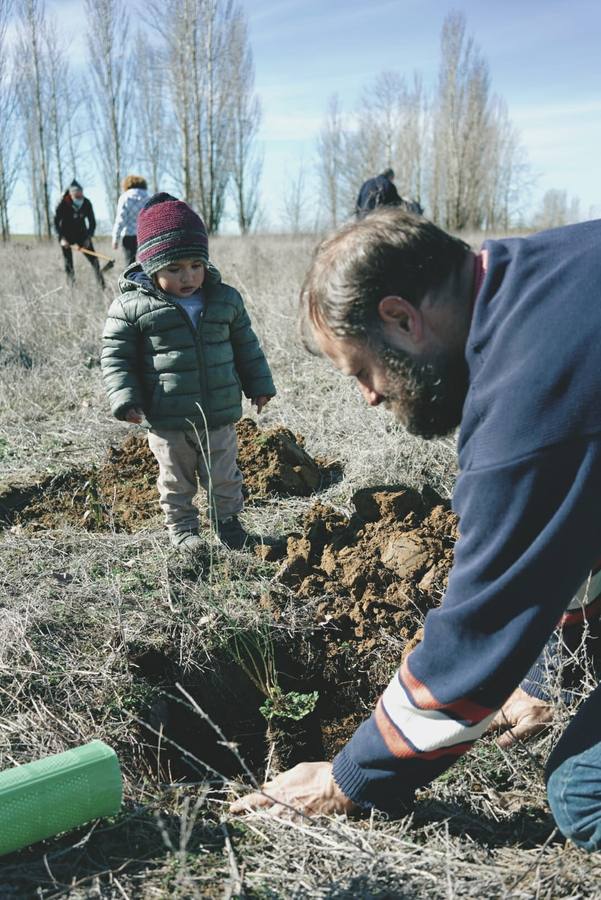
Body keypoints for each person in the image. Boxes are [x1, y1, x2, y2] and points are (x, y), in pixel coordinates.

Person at [231, 208, 601, 851]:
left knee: (585, 792)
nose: (369, 397)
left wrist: (349, 778)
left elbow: (479, 628)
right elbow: (574, 524)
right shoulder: (551, 273)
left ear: (402, 319)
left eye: (360, 370)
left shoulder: (528, 404)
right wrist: (545, 679)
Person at [101, 192, 276, 552]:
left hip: (218, 413)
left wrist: (259, 385)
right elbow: (116, 357)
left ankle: (228, 524)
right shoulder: (133, 307)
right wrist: (125, 399)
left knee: (224, 475)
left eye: (196, 265)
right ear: (151, 266)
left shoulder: (224, 299)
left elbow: (246, 347)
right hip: (167, 417)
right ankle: (183, 530)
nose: (189, 276)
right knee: (176, 479)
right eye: (175, 268)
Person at [54, 180, 105, 289]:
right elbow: (55, 222)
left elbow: (92, 222)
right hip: (66, 235)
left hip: (82, 234)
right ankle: (71, 287)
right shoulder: (62, 203)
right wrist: (61, 238)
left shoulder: (86, 203)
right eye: (76, 195)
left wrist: (88, 237)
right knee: (68, 264)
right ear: (71, 194)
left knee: (95, 261)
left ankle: (102, 287)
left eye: (80, 194)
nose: (79, 198)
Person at [111, 175, 149, 266]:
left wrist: (115, 238)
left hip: (129, 235)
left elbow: (121, 219)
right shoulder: (149, 197)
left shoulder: (125, 197)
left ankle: (130, 279)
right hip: (145, 235)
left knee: (129, 265)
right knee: (147, 263)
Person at [355, 168, 423, 219]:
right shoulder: (388, 184)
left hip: (362, 218)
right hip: (375, 219)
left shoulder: (366, 183)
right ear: (391, 177)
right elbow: (396, 204)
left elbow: (358, 203)